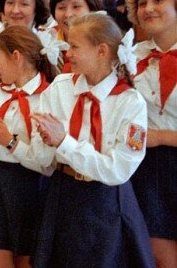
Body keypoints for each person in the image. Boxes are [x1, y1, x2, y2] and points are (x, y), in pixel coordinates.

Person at [31, 13, 154, 267]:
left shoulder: (130, 102)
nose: (68, 53)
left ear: (101, 51)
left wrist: (64, 142)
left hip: (107, 201)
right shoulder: (60, 88)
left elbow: (118, 169)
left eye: (75, 46)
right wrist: (44, 141)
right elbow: (42, 159)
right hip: (63, 194)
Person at [0, 26, 56, 268]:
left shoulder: (48, 96)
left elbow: (45, 163)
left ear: (16, 56)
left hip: (31, 187)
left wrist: (10, 141)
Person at [128, 0, 177, 267]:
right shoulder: (131, 58)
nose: (148, 8)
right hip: (147, 169)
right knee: (157, 255)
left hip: (168, 153)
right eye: (142, 3)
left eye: (158, 0)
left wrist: (160, 137)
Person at [48, 0, 103, 73]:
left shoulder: (105, 45)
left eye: (76, 7)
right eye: (61, 7)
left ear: (92, 9)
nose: (68, 14)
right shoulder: (46, 42)